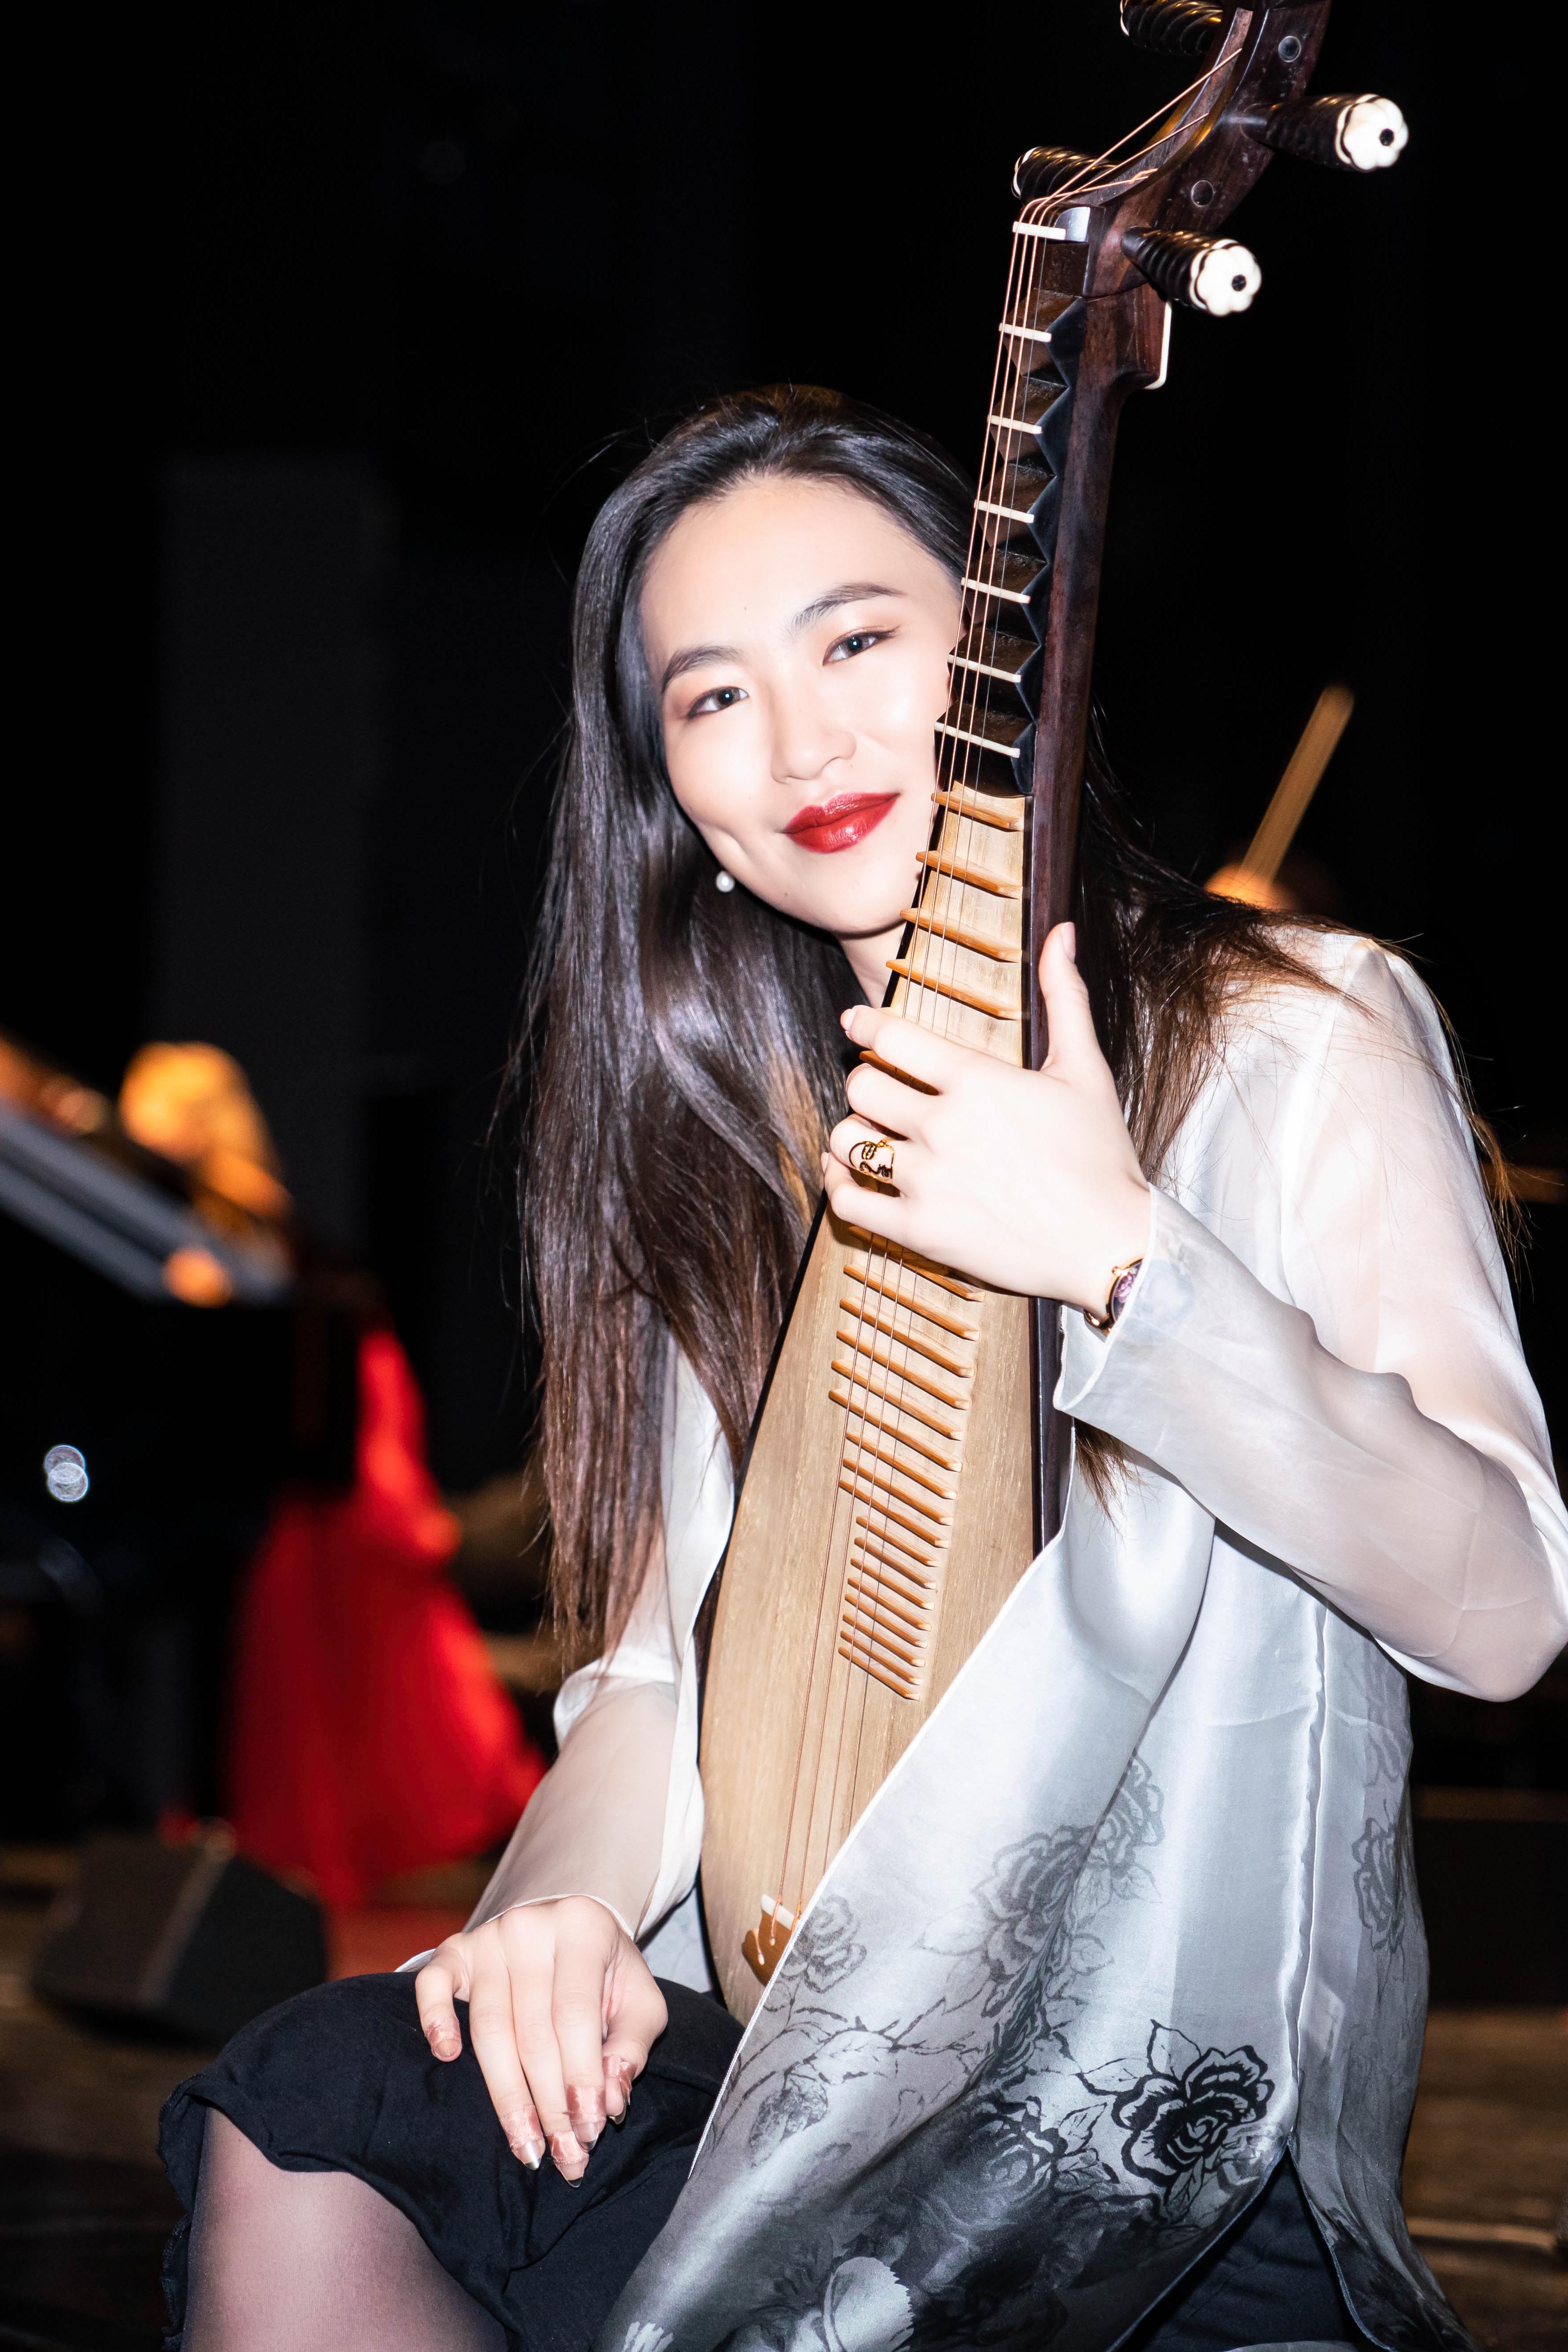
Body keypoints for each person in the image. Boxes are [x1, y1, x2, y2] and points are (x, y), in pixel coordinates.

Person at [159, 387, 1568, 2352]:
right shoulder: (727, 1142)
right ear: (672, 792)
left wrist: (1125, 1259)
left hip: (1142, 2140)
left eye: (856, 642)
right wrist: (556, 1909)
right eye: (712, 696)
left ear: (1006, 666)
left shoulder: (1292, 1034)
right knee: (318, 2109)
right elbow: (662, 1675)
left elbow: (1502, 1610)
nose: (800, 742)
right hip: (787, 2067)